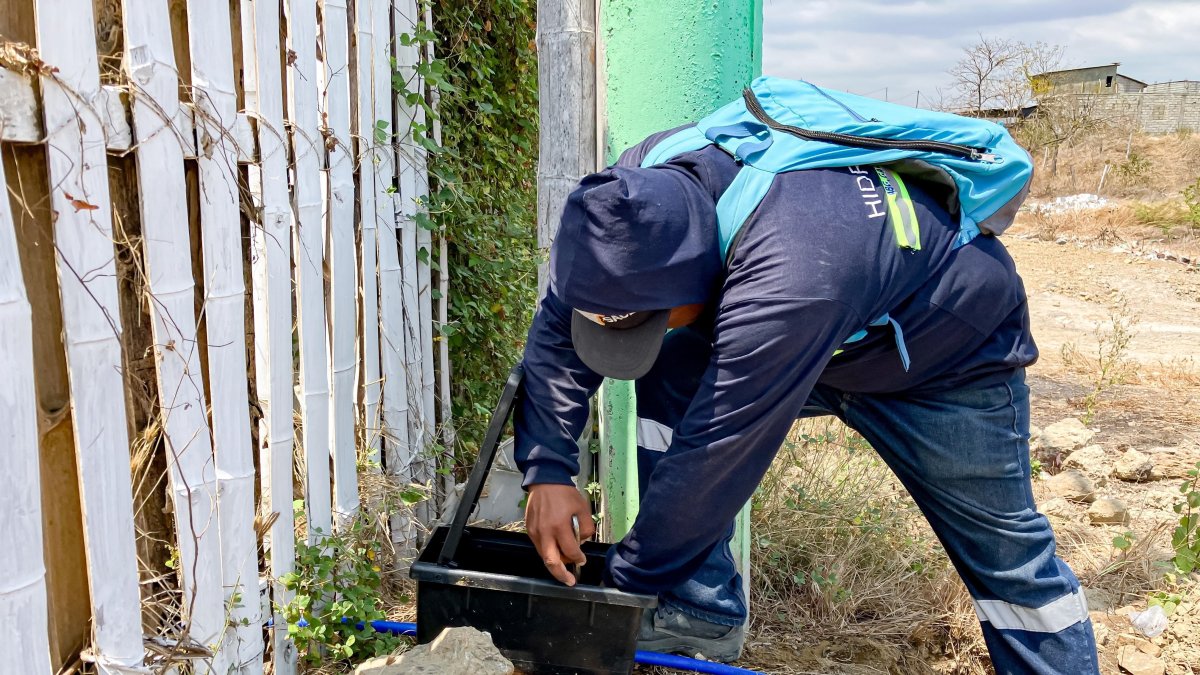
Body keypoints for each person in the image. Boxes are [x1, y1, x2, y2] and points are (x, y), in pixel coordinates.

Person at [512, 102, 1100, 671]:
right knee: (672, 370)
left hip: (942, 357)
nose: (642, 331)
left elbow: (717, 456)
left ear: (700, 272)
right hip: (825, 319)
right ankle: (698, 610)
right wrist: (548, 469)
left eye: (654, 318)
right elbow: (564, 324)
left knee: (1007, 558)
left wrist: (615, 594)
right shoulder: (624, 206)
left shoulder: (789, 273)